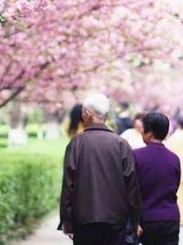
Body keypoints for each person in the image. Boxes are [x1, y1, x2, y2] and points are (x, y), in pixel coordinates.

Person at [59, 93, 142, 245]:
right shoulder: (121, 144)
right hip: (116, 220)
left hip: (84, 220)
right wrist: (135, 221)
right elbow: (131, 184)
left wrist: (67, 221)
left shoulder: (76, 144)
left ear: (87, 114)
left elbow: (68, 185)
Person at [133, 112, 181, 245]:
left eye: (143, 128)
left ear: (150, 132)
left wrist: (134, 222)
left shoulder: (136, 156)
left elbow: (131, 191)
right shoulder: (174, 159)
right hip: (170, 218)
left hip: (145, 220)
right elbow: (174, 186)